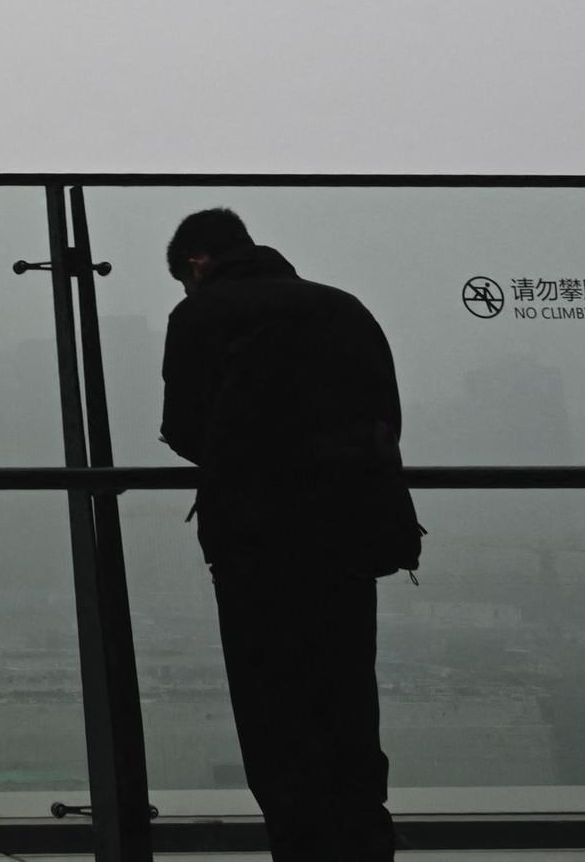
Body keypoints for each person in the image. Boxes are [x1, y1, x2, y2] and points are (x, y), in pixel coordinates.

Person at [160, 207, 423, 862]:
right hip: (351, 530)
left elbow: (186, 428)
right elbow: (386, 416)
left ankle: (300, 842)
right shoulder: (342, 307)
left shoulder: (199, 316)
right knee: (345, 691)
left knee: (273, 702)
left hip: (256, 537)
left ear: (196, 262)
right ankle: (365, 833)